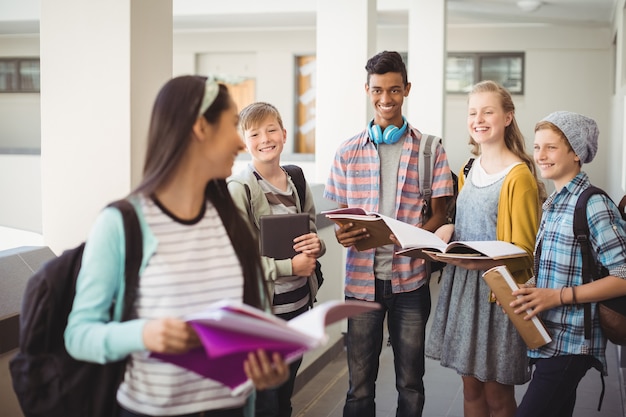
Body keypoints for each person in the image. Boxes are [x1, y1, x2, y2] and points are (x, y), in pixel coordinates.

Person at [64, 75, 289, 417]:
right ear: (201, 127)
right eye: (232, 125)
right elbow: (79, 335)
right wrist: (144, 334)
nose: (242, 142)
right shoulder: (122, 223)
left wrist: (263, 364)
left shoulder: (231, 220)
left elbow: (250, 324)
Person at [324, 50, 454, 417]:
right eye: (378, 90)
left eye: (394, 90)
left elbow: (441, 216)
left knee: (410, 384)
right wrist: (343, 235)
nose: (386, 99)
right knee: (359, 388)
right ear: (367, 90)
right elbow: (339, 220)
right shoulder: (347, 152)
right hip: (360, 283)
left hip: (410, 282)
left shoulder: (430, 150)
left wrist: (401, 239)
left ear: (407, 89)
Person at [425, 80, 545, 417]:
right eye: (473, 112)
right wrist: (448, 230)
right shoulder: (468, 169)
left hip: (498, 294)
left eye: (488, 111)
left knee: (497, 394)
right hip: (464, 290)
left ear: (507, 117)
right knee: (471, 389)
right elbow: (465, 224)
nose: (478, 119)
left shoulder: (519, 176)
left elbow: (525, 250)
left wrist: (479, 262)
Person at [510, 111, 626, 417]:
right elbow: (560, 267)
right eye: (537, 147)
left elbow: (623, 275)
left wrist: (557, 296)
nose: (540, 156)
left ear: (576, 153)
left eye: (551, 147)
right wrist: (530, 288)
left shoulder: (594, 204)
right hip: (548, 337)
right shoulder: (553, 204)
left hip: (573, 343)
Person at [227, 101, 326, 417]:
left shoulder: (296, 179)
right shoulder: (240, 188)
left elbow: (311, 232)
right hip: (265, 315)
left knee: (284, 396)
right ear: (245, 142)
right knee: (266, 402)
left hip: (299, 307)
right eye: (254, 133)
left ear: (284, 135)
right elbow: (239, 260)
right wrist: (288, 267)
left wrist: (316, 247)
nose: (265, 139)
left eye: (271, 130)